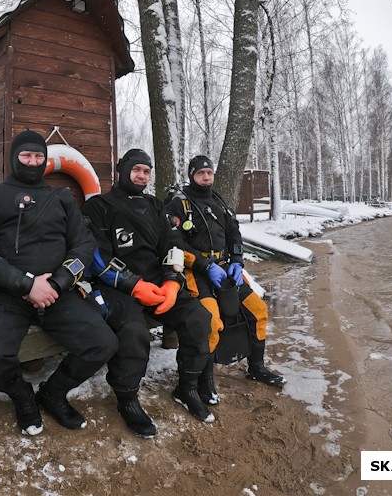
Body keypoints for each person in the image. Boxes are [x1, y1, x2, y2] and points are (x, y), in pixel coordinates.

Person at [0, 130, 117, 435]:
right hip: (7, 293)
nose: (32, 162)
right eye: (26, 155)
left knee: (103, 343)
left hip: (58, 292)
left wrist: (59, 282)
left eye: (38, 156)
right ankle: (22, 396)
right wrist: (26, 284)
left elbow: (83, 246)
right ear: (14, 157)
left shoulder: (61, 197)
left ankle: (53, 393)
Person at [82, 148, 216, 425]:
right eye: (136, 170)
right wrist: (132, 284)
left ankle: (187, 386)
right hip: (118, 286)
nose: (142, 176)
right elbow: (95, 257)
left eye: (146, 171)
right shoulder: (99, 206)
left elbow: (174, 246)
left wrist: (172, 281)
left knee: (200, 317)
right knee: (133, 332)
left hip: (158, 283)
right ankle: (127, 399)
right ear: (122, 171)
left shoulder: (156, 206)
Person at [163, 154, 285, 400]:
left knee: (258, 310)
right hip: (197, 272)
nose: (206, 177)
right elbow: (174, 244)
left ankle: (256, 367)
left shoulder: (219, 202)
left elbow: (234, 235)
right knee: (211, 322)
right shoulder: (179, 204)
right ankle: (205, 382)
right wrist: (206, 265)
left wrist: (237, 262)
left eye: (209, 173)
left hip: (226, 269)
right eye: (200, 173)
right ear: (191, 175)